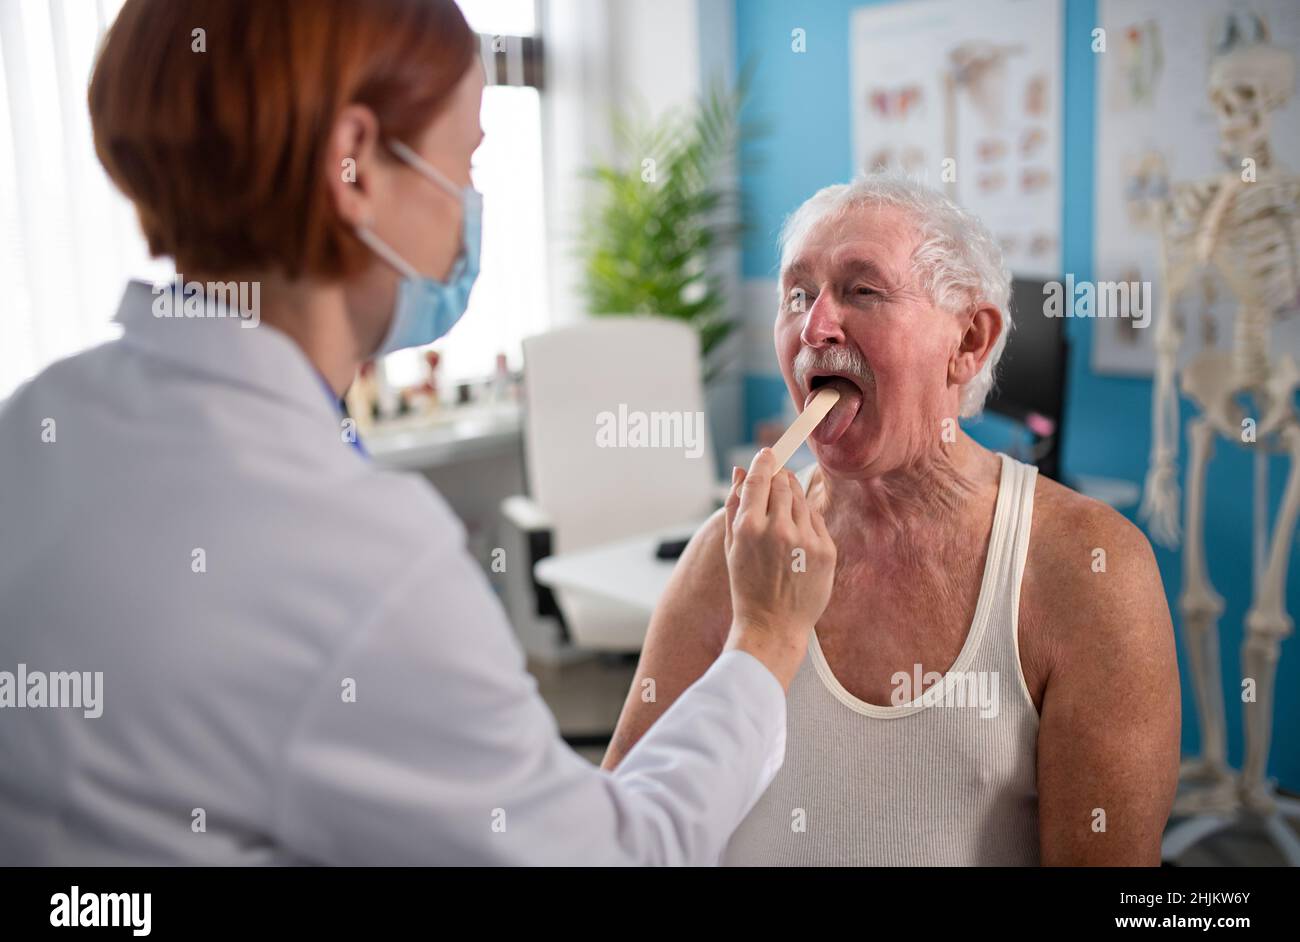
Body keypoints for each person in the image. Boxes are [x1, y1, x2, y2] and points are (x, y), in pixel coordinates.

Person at [0, 0, 835, 865]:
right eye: (466, 158)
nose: (470, 206)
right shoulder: (356, 560)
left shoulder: (35, 425)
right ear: (354, 164)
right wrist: (764, 637)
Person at [603, 175, 1181, 865]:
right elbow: (619, 841)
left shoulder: (1090, 571)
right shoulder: (729, 556)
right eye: (797, 294)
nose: (815, 326)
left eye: (861, 290)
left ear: (969, 340)